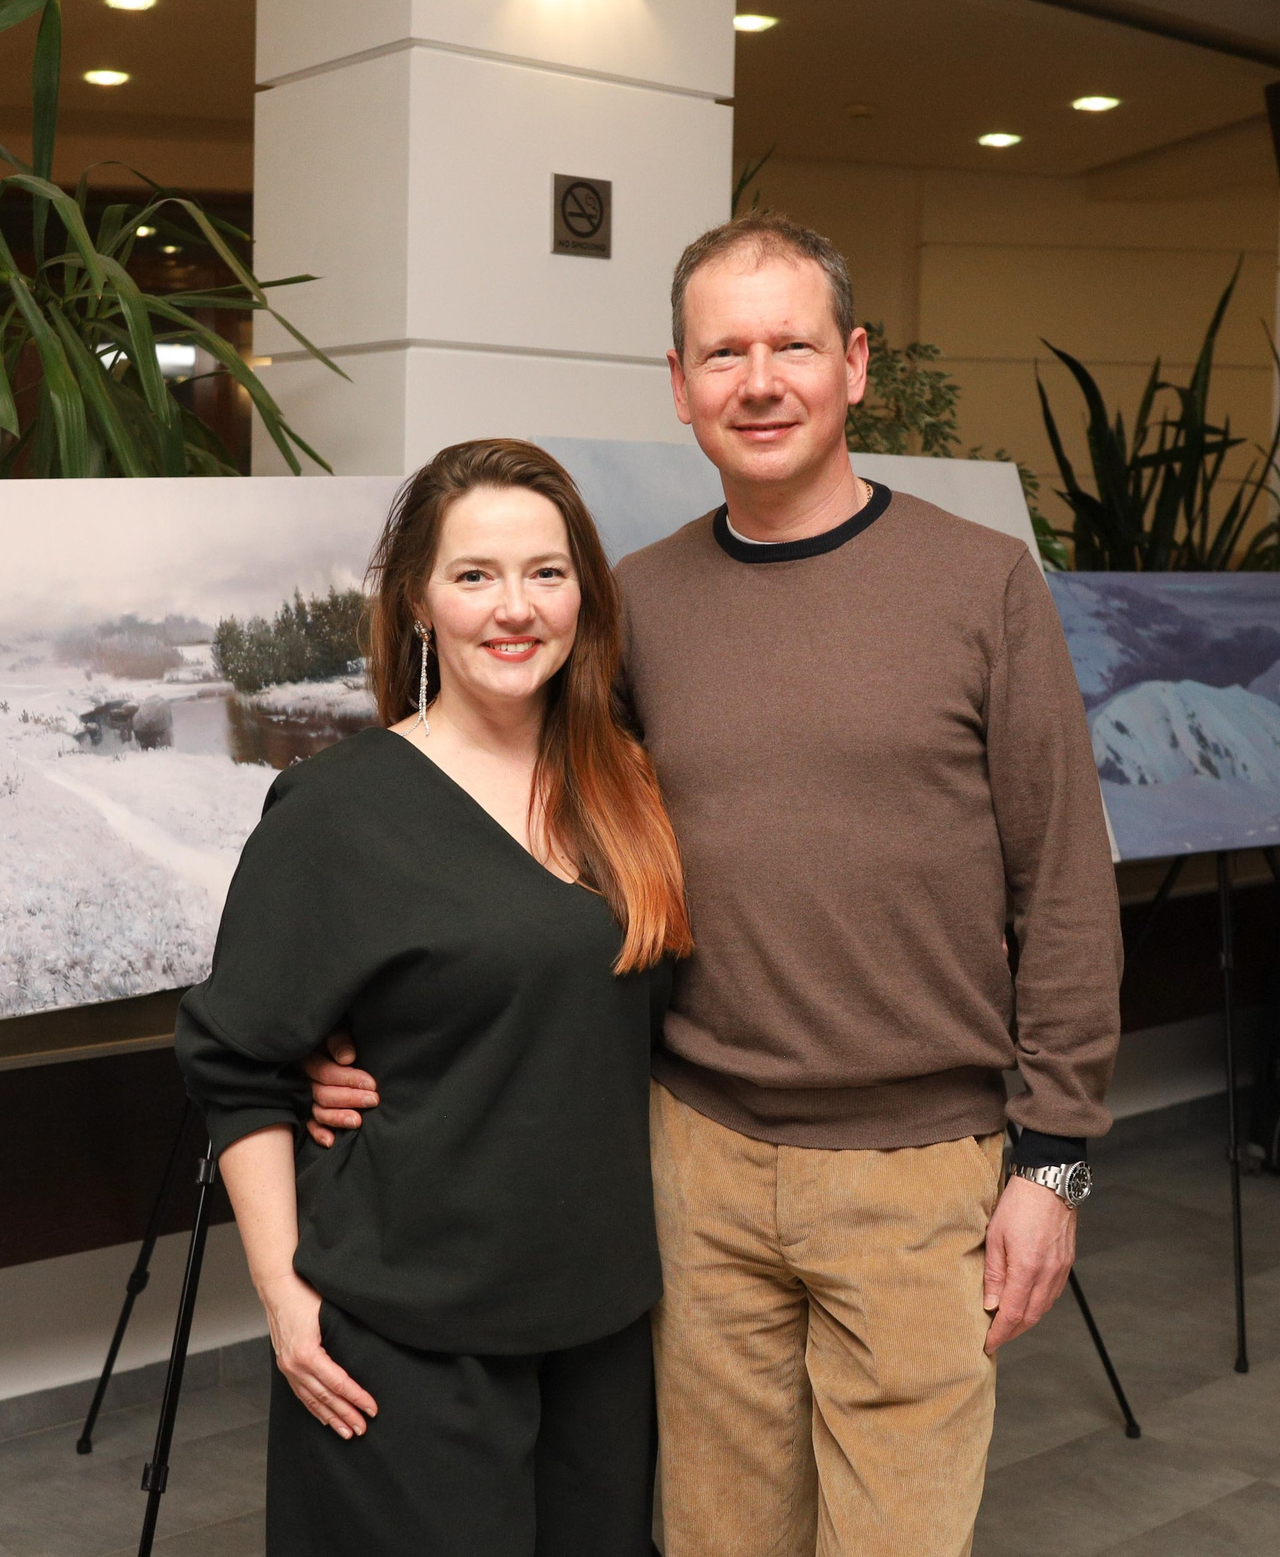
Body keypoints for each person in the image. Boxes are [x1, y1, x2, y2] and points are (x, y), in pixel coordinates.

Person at [306, 211, 1123, 1556]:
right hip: (690, 1165)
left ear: (854, 364)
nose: (759, 381)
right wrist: (347, 1031)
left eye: (791, 345)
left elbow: (1066, 883)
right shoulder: (633, 605)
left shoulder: (981, 586)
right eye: (723, 353)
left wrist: (1055, 1161)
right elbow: (513, 837)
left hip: (919, 1173)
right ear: (679, 385)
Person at [174, 438, 692, 1557]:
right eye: (474, 575)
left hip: (601, 1324)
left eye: (546, 573)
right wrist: (285, 1297)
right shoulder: (335, 811)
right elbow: (232, 1058)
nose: (515, 608)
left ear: (584, 594)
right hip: (405, 1340)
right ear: (418, 600)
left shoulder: (629, 787)